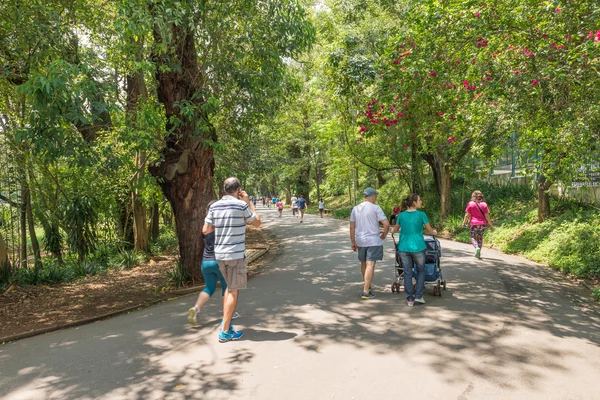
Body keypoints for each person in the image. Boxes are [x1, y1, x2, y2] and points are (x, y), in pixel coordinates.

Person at [203, 177, 260, 342]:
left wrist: (222, 225)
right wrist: (249, 202)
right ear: (238, 190)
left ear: (224, 189)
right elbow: (257, 223)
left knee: (229, 288)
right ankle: (225, 331)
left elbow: (206, 229)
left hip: (219, 254)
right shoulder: (241, 205)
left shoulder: (214, 206)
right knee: (233, 292)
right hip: (235, 254)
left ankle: (225, 323)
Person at [187, 200, 239, 326]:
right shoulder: (221, 226)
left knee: (209, 288)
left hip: (206, 262)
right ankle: (227, 313)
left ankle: (196, 308)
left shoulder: (205, 228)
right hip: (219, 261)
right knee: (227, 287)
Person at [392, 193, 437, 307]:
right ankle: (419, 296)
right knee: (421, 270)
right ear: (414, 203)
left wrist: (393, 230)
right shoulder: (422, 215)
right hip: (418, 247)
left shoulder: (401, 216)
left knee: (407, 272)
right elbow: (430, 230)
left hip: (403, 248)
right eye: (419, 200)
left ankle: (410, 299)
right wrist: (434, 232)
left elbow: (396, 229)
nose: (421, 201)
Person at [349, 187, 390, 300]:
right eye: (375, 196)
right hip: (373, 241)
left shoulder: (355, 209)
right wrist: (384, 234)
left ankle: (368, 286)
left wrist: (353, 241)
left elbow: (352, 227)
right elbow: (386, 224)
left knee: (363, 264)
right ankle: (366, 291)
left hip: (361, 240)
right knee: (370, 265)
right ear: (371, 197)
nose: (375, 198)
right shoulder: (376, 208)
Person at [463, 190, 494, 259]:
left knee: (473, 237)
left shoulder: (470, 204)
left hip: (473, 224)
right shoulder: (484, 204)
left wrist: (464, 223)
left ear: (473, 196)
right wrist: (491, 225)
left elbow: (466, 215)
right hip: (482, 224)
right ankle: (478, 253)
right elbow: (487, 216)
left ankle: (476, 248)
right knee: (480, 238)